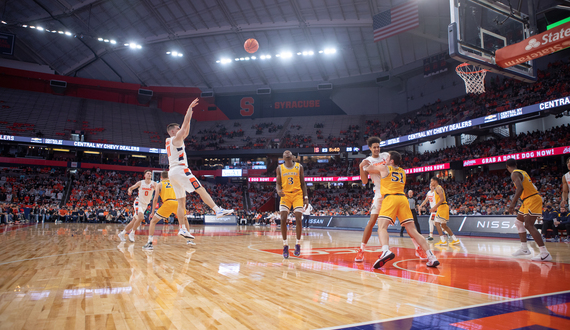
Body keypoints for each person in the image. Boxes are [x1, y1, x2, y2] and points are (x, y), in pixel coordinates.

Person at [165, 98, 234, 240]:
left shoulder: (168, 140)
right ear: (172, 131)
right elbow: (183, 129)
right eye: (177, 129)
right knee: (200, 188)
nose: (180, 130)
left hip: (172, 172)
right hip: (180, 170)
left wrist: (189, 119)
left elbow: (186, 130)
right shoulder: (175, 139)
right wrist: (188, 110)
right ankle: (217, 210)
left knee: (181, 202)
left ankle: (182, 228)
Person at [365, 151, 439, 268]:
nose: (386, 159)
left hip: (391, 198)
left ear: (392, 161)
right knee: (413, 231)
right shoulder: (403, 171)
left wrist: (371, 161)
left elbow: (367, 168)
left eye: (388, 158)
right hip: (402, 199)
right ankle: (431, 256)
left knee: (382, 227)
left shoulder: (385, 168)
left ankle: (385, 250)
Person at [506, 158, 551, 261]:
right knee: (518, 222)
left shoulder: (514, 173)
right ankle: (524, 248)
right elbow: (531, 186)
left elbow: (520, 188)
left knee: (529, 225)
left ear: (507, 167)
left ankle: (545, 253)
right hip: (528, 199)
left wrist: (512, 204)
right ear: (516, 164)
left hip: (531, 199)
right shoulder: (523, 172)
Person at [355, 136, 389, 262]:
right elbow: (364, 181)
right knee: (372, 222)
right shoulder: (367, 161)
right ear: (370, 148)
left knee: (405, 221)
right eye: (374, 147)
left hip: (390, 192)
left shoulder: (386, 156)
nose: (376, 149)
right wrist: (361, 167)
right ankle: (361, 250)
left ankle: (419, 248)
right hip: (379, 193)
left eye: (378, 147)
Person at [143, 171, 194, 250]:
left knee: (153, 221)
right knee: (184, 219)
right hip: (177, 202)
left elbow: (155, 199)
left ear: (161, 177)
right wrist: (183, 206)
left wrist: (152, 212)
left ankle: (149, 243)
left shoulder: (160, 184)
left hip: (168, 203)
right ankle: (189, 240)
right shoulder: (174, 183)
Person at [276, 150, 308, 258]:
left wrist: (306, 197)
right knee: (283, 218)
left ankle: (298, 244)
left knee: (298, 218)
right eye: (286, 155)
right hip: (286, 195)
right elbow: (278, 183)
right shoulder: (279, 168)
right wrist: (278, 190)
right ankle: (285, 245)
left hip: (297, 194)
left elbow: (303, 183)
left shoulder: (299, 167)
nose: (288, 155)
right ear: (283, 158)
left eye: (289, 155)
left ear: (292, 157)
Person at [119, 170, 156, 242]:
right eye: (148, 173)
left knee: (134, 221)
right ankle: (132, 233)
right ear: (144, 175)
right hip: (138, 202)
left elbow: (159, 190)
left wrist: (155, 188)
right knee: (141, 217)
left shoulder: (154, 183)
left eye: (150, 174)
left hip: (145, 205)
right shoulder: (140, 183)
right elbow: (131, 188)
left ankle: (122, 233)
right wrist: (129, 190)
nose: (149, 175)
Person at [431, 177, 460, 246]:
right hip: (443, 207)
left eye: (432, 181)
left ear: (435, 181)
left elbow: (442, 199)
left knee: (436, 223)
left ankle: (442, 240)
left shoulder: (438, 188)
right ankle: (455, 239)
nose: (431, 183)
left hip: (442, 207)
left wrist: (434, 207)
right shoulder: (437, 188)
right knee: (444, 226)